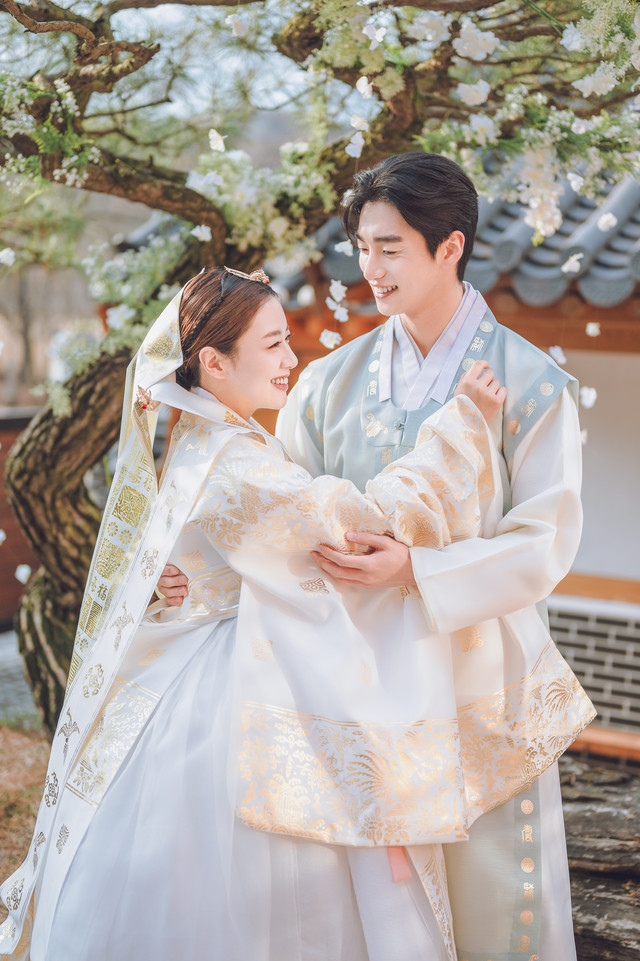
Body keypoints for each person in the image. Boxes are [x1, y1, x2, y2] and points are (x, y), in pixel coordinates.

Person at [0, 265, 593, 961]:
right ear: (214, 362)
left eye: (288, 340)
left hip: (213, 670)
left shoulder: (209, 440)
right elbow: (356, 527)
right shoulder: (234, 460)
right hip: (231, 696)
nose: (292, 358)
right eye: (273, 344)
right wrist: (462, 425)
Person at [163, 152, 588, 958]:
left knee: (503, 903)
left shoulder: (530, 384)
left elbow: (545, 542)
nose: (371, 267)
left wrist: (417, 570)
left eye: (390, 247)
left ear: (450, 247)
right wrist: (197, 575)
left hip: (480, 686)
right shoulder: (327, 383)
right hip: (356, 692)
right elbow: (281, 529)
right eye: (362, 246)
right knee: (384, 920)